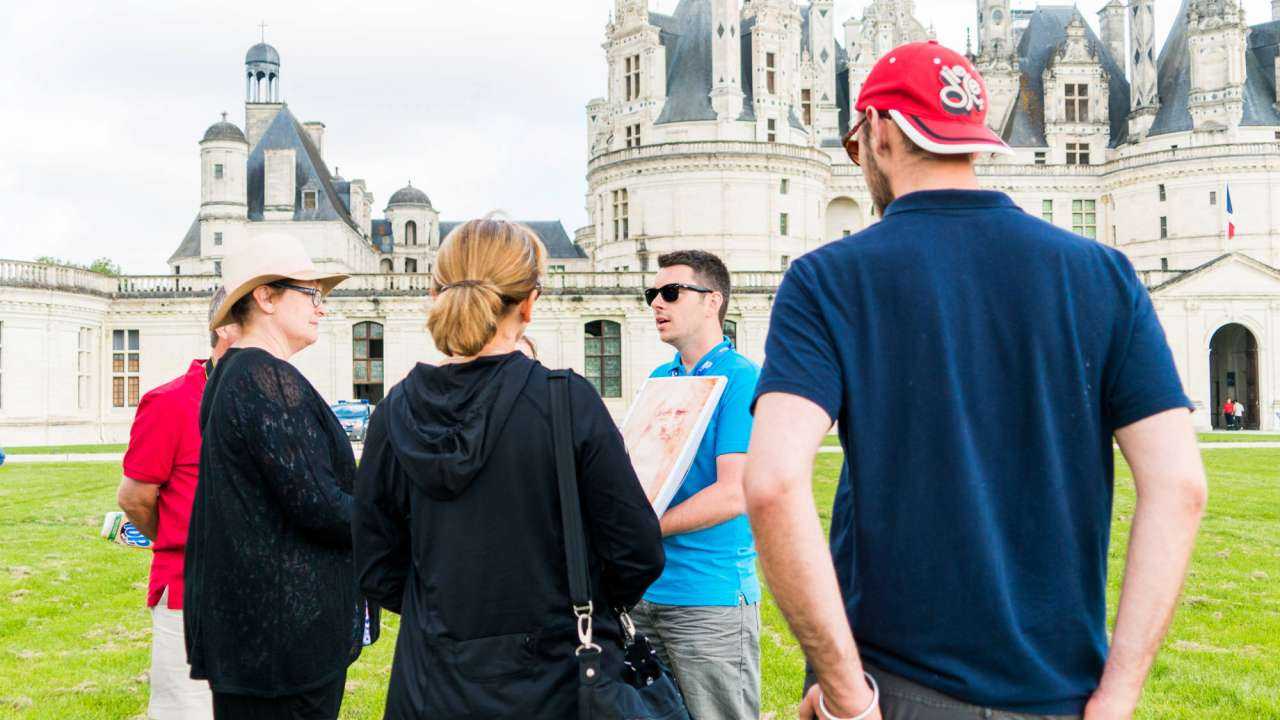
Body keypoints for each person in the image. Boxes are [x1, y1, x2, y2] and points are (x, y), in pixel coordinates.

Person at [744, 41, 1207, 720]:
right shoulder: (1104, 274)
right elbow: (1180, 487)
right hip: (1062, 695)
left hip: (899, 689)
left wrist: (846, 695)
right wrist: (1119, 696)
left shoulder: (828, 279)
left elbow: (774, 483)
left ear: (878, 130)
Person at [353, 218, 664, 719]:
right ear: (530, 303)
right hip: (556, 675)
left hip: (435, 679)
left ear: (437, 292)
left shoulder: (395, 411)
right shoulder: (565, 402)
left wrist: (445, 614)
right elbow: (637, 550)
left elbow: (374, 561)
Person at [186, 234, 366, 720]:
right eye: (311, 294)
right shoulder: (264, 378)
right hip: (283, 645)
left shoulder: (234, 374)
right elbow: (320, 505)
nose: (320, 308)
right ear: (264, 296)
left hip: (259, 638)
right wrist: (395, 511)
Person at [630, 249, 762, 720]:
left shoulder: (742, 379)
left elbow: (735, 491)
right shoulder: (660, 379)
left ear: (713, 302)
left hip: (710, 598)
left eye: (671, 292)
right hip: (646, 592)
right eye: (652, 294)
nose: (656, 304)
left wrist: (641, 528)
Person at [116, 290, 241, 720]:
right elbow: (134, 499)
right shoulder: (170, 402)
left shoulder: (275, 397)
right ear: (225, 327)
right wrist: (183, 539)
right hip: (188, 596)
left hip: (258, 596)